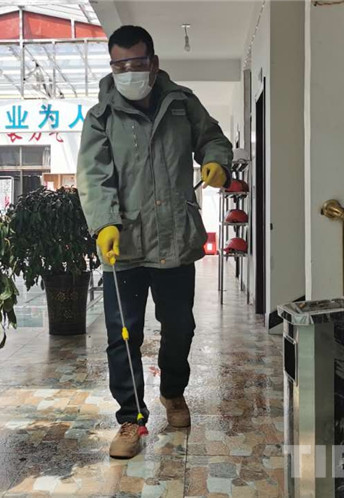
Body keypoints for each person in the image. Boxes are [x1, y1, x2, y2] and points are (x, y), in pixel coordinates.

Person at [76, 25, 233, 459]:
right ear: (112, 66)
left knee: (180, 327)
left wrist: (217, 161)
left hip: (175, 240)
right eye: (120, 65)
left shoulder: (181, 104)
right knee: (123, 335)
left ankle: (173, 392)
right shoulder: (100, 117)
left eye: (137, 63)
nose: (129, 72)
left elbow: (213, 138)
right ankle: (130, 418)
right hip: (123, 246)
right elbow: (93, 175)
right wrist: (104, 224)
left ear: (154, 62)